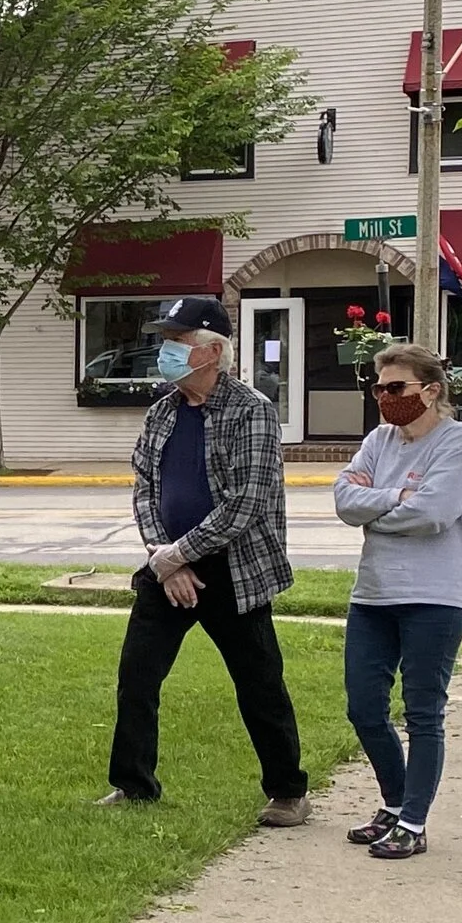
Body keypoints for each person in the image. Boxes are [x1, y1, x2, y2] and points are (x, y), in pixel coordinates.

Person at [100, 294, 310, 825]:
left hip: (234, 571)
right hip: (167, 566)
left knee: (259, 682)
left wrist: (179, 553)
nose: (165, 351)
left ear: (212, 352)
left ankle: (288, 791)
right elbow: (145, 488)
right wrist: (163, 558)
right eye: (165, 341)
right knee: (138, 676)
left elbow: (247, 502)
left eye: (177, 342)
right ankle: (134, 785)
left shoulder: (252, 410)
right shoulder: (162, 411)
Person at [331, 343, 462, 858]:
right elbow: (343, 498)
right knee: (364, 708)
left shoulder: (456, 441)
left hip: (436, 596)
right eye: (378, 388)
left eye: (396, 387)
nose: (384, 397)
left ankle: (413, 822)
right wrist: (395, 499)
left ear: (431, 389)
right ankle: (394, 804)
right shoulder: (379, 440)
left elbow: (434, 514)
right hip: (374, 594)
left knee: (422, 712)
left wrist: (376, 508)